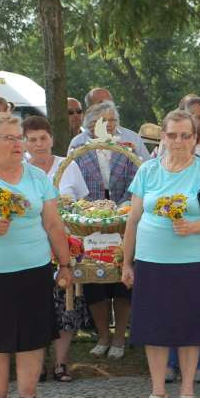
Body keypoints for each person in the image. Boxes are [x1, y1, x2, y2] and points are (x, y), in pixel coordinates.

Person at [121, 110, 200, 398]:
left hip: (191, 262)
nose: (178, 141)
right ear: (163, 137)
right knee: (154, 327)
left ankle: (187, 393)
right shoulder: (147, 171)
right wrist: (126, 262)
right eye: (172, 135)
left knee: (188, 327)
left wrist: (195, 227)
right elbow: (133, 220)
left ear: (196, 139)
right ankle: (158, 393)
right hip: (150, 261)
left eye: (186, 135)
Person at [0, 112, 72, 398]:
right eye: (9, 137)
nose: (17, 143)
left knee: (32, 334)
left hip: (33, 265)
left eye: (18, 137)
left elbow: (53, 224)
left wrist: (64, 264)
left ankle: (28, 395)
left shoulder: (38, 177)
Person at [23, 116, 89, 383]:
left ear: (51, 138)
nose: (39, 144)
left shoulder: (68, 166)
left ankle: (61, 362)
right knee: (34, 307)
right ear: (25, 143)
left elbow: (83, 204)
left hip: (66, 245)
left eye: (43, 138)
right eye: (33, 139)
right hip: (31, 247)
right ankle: (36, 364)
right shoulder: (20, 170)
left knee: (66, 305)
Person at [75, 101, 139, 359]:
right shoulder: (78, 149)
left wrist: (121, 208)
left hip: (123, 222)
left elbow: (138, 181)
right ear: (92, 124)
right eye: (104, 120)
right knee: (94, 283)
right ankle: (103, 335)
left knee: (121, 283)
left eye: (113, 120)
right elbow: (73, 183)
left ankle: (120, 338)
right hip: (89, 225)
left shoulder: (127, 149)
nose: (110, 125)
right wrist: (91, 211)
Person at [70, 88, 151, 160]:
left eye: (110, 104)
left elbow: (148, 169)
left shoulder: (132, 138)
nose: (107, 108)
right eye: (101, 104)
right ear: (90, 110)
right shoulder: (78, 143)